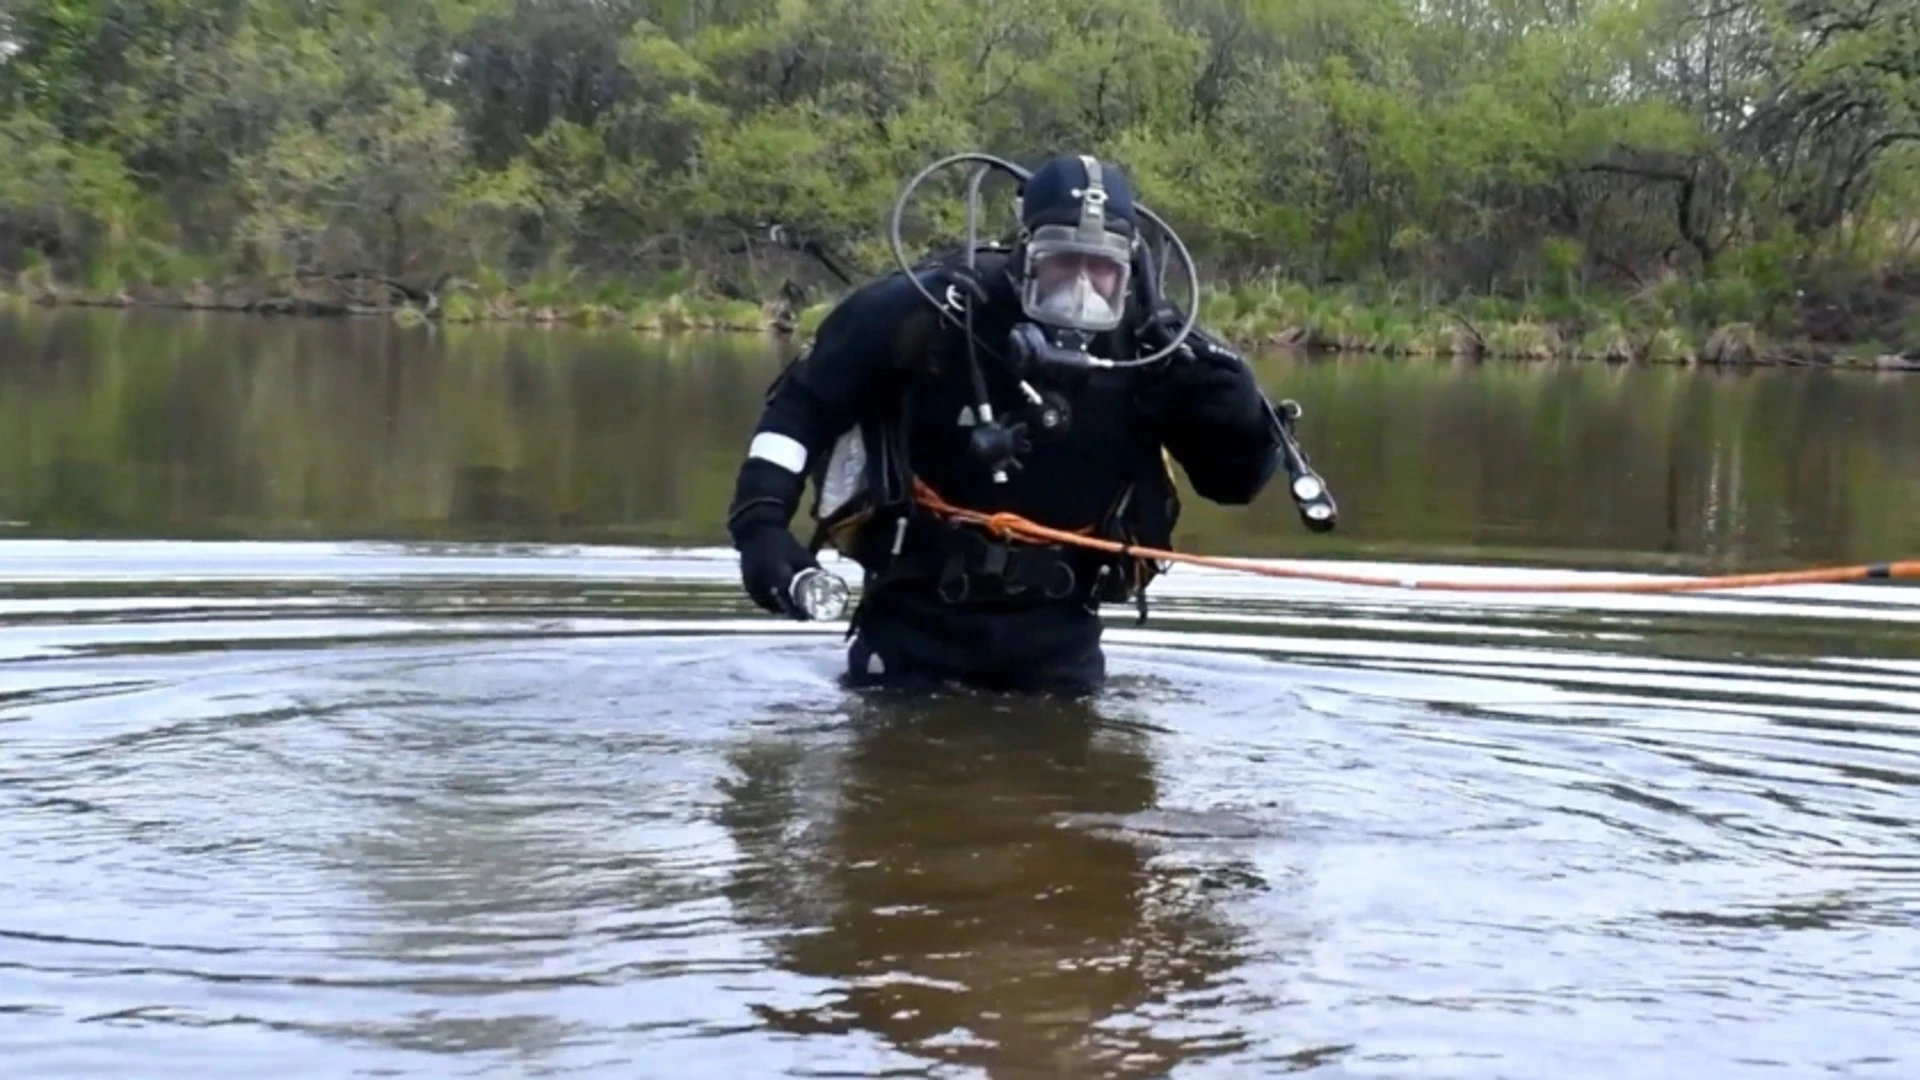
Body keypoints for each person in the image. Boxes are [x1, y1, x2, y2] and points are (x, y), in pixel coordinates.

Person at [724, 153, 1286, 695]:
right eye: (1063, 265)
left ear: (1128, 271)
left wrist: (1237, 413)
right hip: (910, 629)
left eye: (1103, 272)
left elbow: (1233, 483)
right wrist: (761, 525)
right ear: (1025, 257)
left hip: (1062, 640)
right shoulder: (930, 313)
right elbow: (802, 408)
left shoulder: (1148, 349)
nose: (1082, 291)